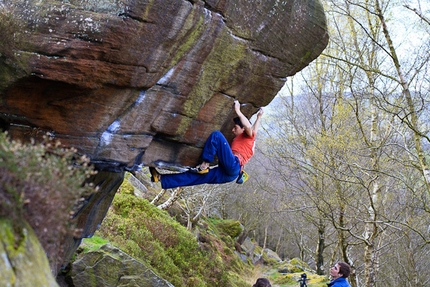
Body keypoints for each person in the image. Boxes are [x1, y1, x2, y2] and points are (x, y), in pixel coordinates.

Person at [149, 100, 264, 189]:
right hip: (230, 174)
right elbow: (254, 129)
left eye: (235, 127)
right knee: (198, 177)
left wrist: (238, 111)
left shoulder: (248, 135)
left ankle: (205, 164)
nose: (233, 130)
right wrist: (259, 117)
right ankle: (160, 178)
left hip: (234, 165)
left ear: (243, 129)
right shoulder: (250, 139)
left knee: (217, 135)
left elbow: (249, 127)